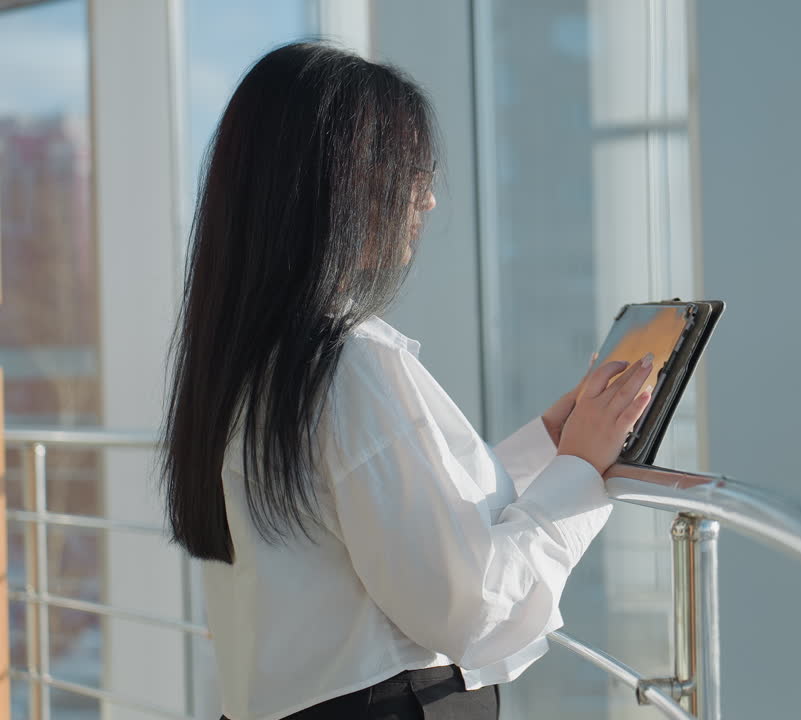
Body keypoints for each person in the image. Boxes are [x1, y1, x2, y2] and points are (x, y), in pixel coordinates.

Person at [160, 42, 652, 720]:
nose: (424, 198)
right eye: (406, 170)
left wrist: (546, 447)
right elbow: (467, 606)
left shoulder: (250, 358)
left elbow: (386, 511)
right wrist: (580, 474)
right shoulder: (346, 364)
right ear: (333, 184)